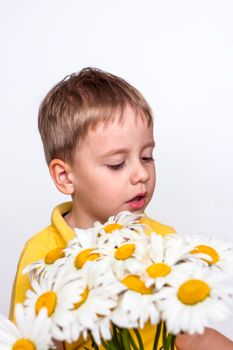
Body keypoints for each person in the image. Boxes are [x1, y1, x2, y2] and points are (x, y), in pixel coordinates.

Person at [9, 68, 233, 350]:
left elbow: (192, 336)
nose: (141, 174)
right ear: (65, 177)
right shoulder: (42, 258)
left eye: (147, 156)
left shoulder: (163, 243)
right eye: (117, 164)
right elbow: (30, 340)